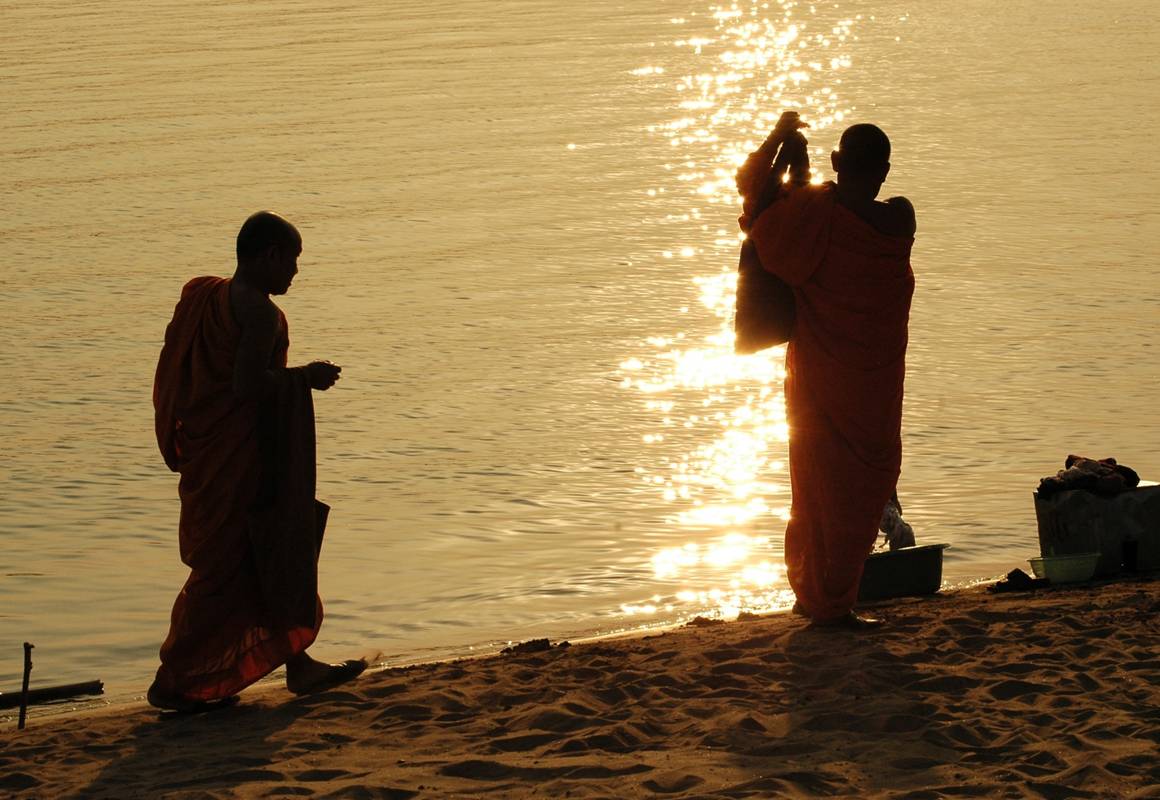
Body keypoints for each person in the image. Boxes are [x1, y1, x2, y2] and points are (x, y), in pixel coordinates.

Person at [149, 211, 365, 711]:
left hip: (216, 451)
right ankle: (174, 680)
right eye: (292, 260)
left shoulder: (206, 294)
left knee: (267, 555)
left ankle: (299, 665)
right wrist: (305, 377)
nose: (295, 271)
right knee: (228, 571)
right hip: (239, 460)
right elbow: (246, 387)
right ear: (269, 255)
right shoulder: (261, 314)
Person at [745, 120, 915, 629]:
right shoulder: (899, 219)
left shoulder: (810, 215)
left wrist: (782, 144)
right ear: (885, 170)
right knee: (865, 485)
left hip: (820, 378)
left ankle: (818, 595)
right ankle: (831, 603)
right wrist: (802, 176)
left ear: (837, 162)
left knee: (817, 488)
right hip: (873, 387)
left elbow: (759, 205)